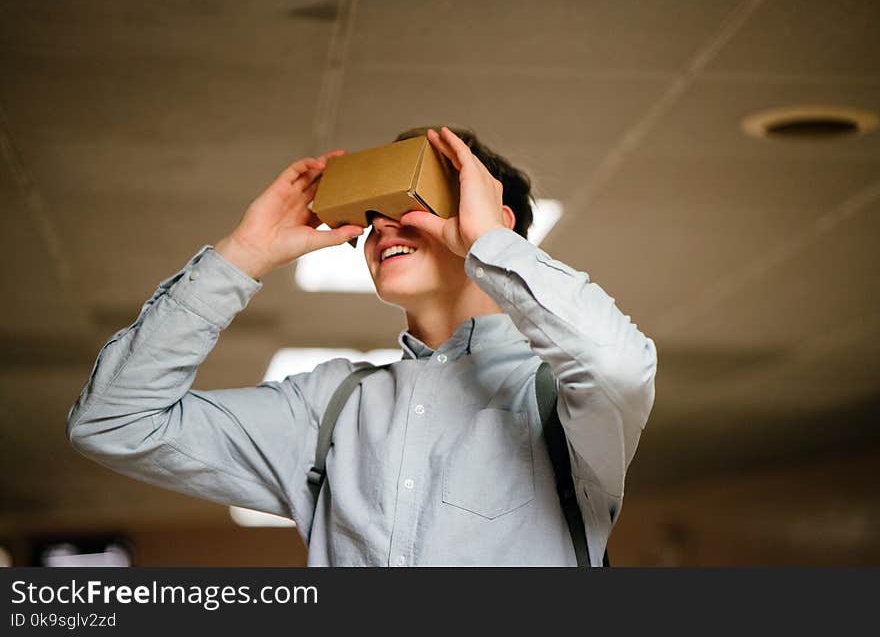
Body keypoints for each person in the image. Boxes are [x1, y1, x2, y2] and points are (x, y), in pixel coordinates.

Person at [67, 126, 657, 566]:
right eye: (375, 217)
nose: (381, 229)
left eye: (411, 209)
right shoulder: (330, 406)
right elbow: (113, 421)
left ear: (491, 220)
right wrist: (243, 255)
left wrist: (492, 246)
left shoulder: (555, 394)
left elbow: (619, 367)